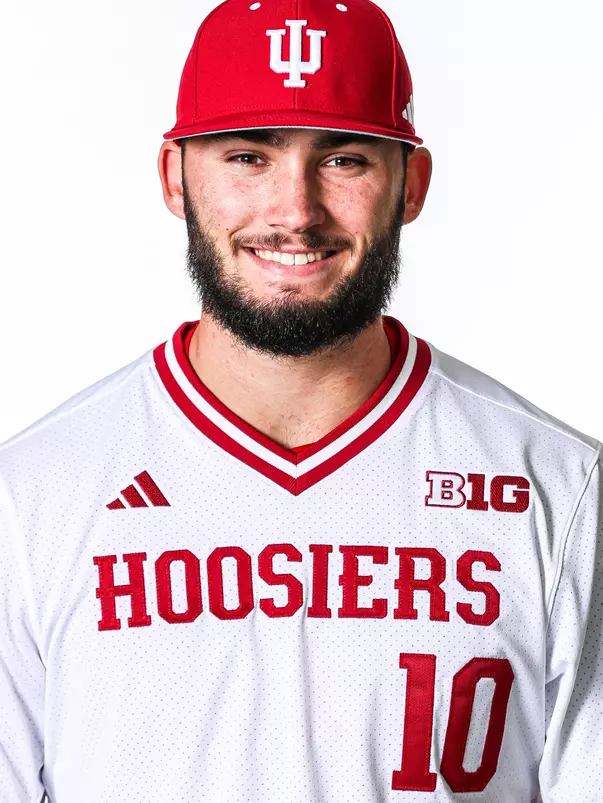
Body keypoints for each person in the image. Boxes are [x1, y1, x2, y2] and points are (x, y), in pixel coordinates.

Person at [1, 0, 602, 800]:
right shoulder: (33, 494)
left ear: (410, 184)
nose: (294, 211)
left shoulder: (561, 488)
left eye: (344, 159)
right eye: (248, 157)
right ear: (174, 178)